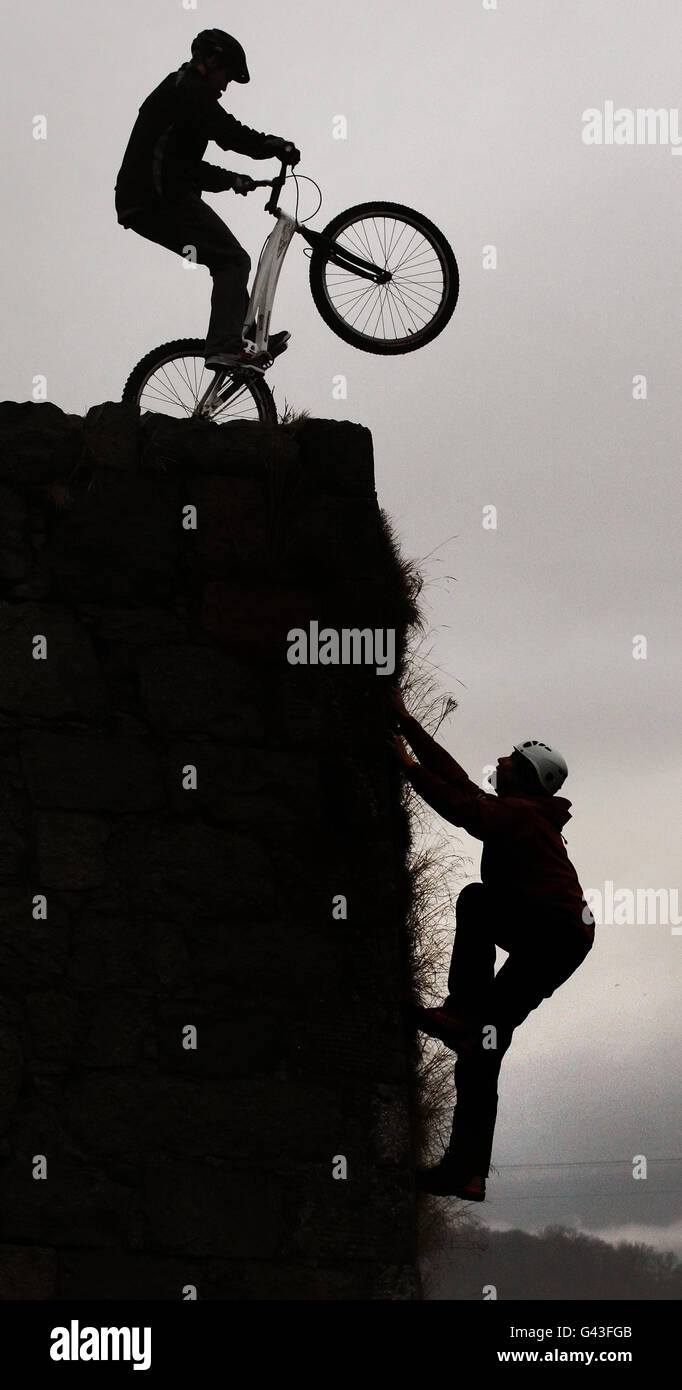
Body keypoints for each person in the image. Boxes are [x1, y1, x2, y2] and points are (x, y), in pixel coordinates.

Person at [388, 689, 595, 1202]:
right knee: (484, 1045)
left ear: (524, 776)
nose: (499, 761)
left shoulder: (521, 816)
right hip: (561, 939)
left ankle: (460, 1012)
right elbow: (461, 784)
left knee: (477, 901)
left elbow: (458, 806)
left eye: (510, 759)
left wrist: (403, 764)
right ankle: (467, 1172)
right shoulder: (519, 812)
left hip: (553, 933)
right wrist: (407, 725)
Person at [115, 28, 301, 371]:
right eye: (226, 75)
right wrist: (274, 145)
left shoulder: (183, 93)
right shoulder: (188, 88)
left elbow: (185, 165)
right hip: (156, 199)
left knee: (228, 260)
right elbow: (228, 133)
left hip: (150, 198)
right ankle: (224, 345)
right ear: (210, 60)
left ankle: (246, 338)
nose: (225, 86)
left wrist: (232, 180)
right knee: (233, 261)